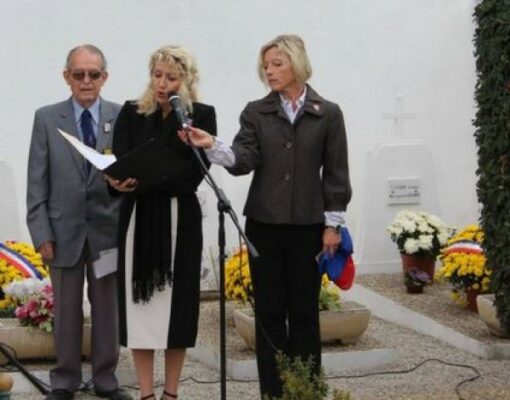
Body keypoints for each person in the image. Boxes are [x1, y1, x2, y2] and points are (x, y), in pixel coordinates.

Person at [180, 34, 352, 398]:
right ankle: (272, 393)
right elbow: (244, 160)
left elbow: (336, 173)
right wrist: (213, 145)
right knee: (270, 315)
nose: (269, 71)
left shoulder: (328, 112)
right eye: (266, 66)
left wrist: (333, 225)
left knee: (305, 313)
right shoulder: (257, 111)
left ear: (297, 64)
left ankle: (306, 388)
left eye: (277, 64)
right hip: (264, 226)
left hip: (308, 227)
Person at [106, 45, 216, 400]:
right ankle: (145, 394)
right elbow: (121, 163)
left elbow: (193, 176)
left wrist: (145, 178)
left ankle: (170, 393)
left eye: (171, 76)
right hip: (138, 221)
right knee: (140, 313)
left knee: (177, 310)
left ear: (186, 80)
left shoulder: (200, 116)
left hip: (179, 221)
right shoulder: (132, 113)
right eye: (157, 75)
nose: (162, 82)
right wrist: (118, 181)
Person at [26, 45, 131, 400]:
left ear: (105, 77)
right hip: (62, 232)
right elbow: (36, 182)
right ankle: (65, 380)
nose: (86, 81)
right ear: (66, 76)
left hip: (107, 231)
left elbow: (131, 176)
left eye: (94, 74)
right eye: (79, 74)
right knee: (67, 310)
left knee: (107, 309)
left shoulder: (122, 116)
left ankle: (105, 378)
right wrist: (41, 232)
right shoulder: (46, 118)